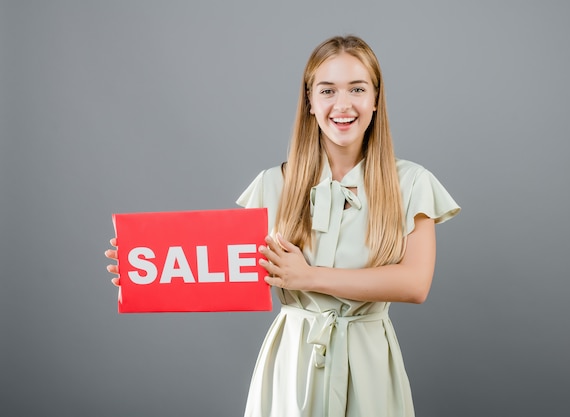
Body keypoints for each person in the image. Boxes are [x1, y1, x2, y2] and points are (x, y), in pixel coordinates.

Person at [106, 35, 460, 417]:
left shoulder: (411, 182)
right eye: (327, 91)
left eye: (357, 88)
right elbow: (226, 269)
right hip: (292, 362)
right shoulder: (272, 185)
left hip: (370, 360)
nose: (343, 104)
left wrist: (309, 276)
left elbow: (414, 284)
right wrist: (147, 271)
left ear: (376, 99)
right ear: (309, 101)